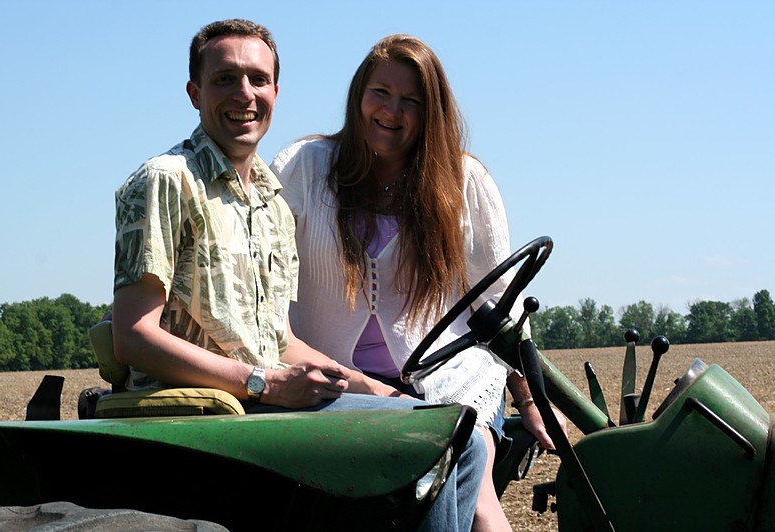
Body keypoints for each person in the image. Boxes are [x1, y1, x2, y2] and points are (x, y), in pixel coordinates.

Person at [111, 19, 485, 531]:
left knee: (457, 434)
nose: (244, 94)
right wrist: (264, 383)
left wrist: (374, 389)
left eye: (257, 80)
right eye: (225, 79)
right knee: (431, 446)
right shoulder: (166, 180)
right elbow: (133, 336)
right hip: (201, 414)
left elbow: (280, 339)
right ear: (195, 93)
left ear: (275, 92)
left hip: (267, 403)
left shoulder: (271, 199)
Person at [271, 34, 566, 531]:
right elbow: (270, 280)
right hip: (337, 384)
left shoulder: (464, 181)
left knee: (471, 488)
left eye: (411, 101)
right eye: (381, 93)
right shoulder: (304, 167)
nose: (392, 111)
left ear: (431, 113)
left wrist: (529, 398)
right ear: (358, 95)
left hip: (452, 383)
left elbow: (497, 302)